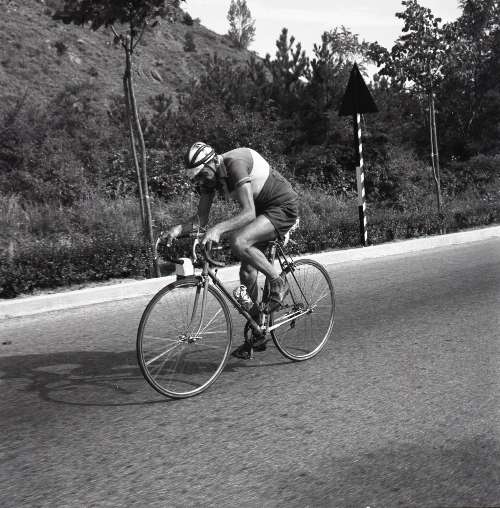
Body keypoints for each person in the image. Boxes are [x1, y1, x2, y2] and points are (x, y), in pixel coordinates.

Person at [165, 141, 299, 358]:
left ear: (212, 162)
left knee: (239, 241)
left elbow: (248, 213)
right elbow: (201, 219)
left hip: (281, 206)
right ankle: (258, 330)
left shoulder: (234, 164)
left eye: (202, 175)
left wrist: (218, 229)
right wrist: (178, 229)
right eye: (196, 178)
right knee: (246, 273)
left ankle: (278, 282)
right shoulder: (210, 178)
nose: (200, 181)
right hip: (260, 213)